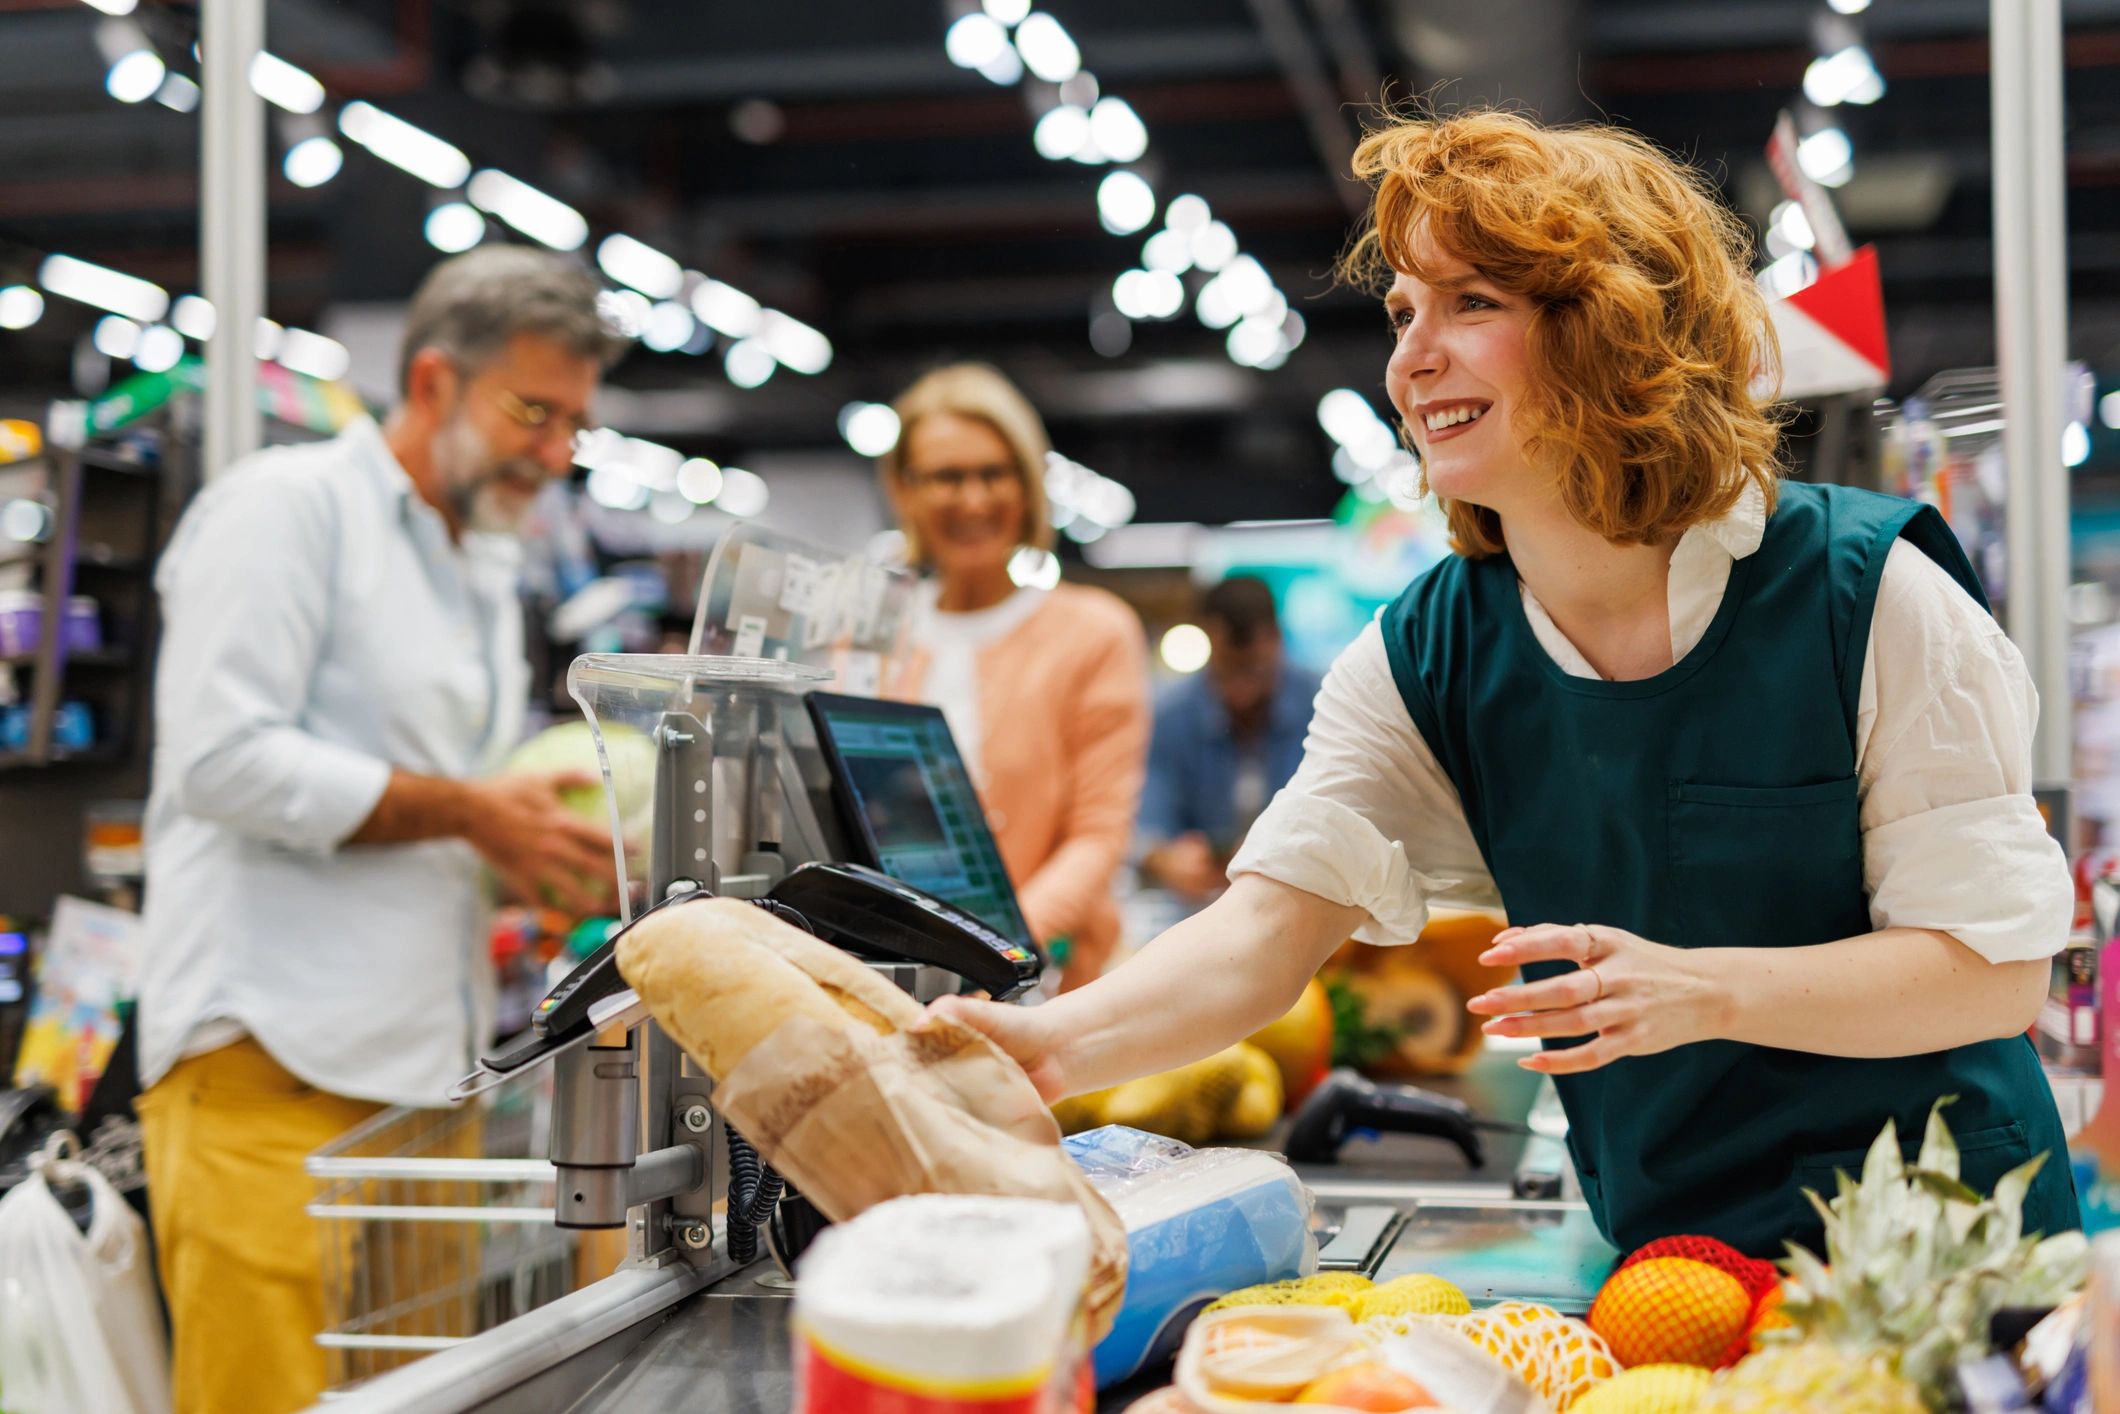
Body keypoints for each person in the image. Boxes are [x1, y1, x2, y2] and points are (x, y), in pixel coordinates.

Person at [933, 110, 2081, 1258]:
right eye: (1401, 313)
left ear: (1611, 330)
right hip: (1676, 1267)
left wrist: (1705, 989)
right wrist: (1050, 1047)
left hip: (1948, 1267)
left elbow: (1991, 973)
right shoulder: (1426, 650)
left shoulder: (1865, 596)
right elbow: (1266, 931)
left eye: (1470, 302)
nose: (1409, 357)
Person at [134, 246, 625, 1414]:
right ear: (430, 383)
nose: (555, 453)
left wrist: (520, 851)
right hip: (265, 1069)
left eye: (573, 425)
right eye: (533, 412)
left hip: (424, 1089)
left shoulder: (480, 567)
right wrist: (468, 810)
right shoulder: (285, 510)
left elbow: (432, 803)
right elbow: (220, 757)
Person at [880, 363, 1150, 988]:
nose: (973, 499)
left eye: (993, 473)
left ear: (1027, 483)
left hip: (1051, 983)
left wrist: (992, 958)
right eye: (948, 477)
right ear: (905, 489)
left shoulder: (1094, 633)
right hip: (886, 980)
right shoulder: (866, 638)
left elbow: (1097, 837)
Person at [1138, 576, 1322, 900]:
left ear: (1276, 640)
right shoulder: (1171, 715)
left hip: (1303, 896)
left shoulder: (1323, 704)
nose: (1240, 692)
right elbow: (1147, 821)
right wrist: (1166, 857)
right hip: (1202, 904)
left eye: (1254, 670)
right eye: (1226, 671)